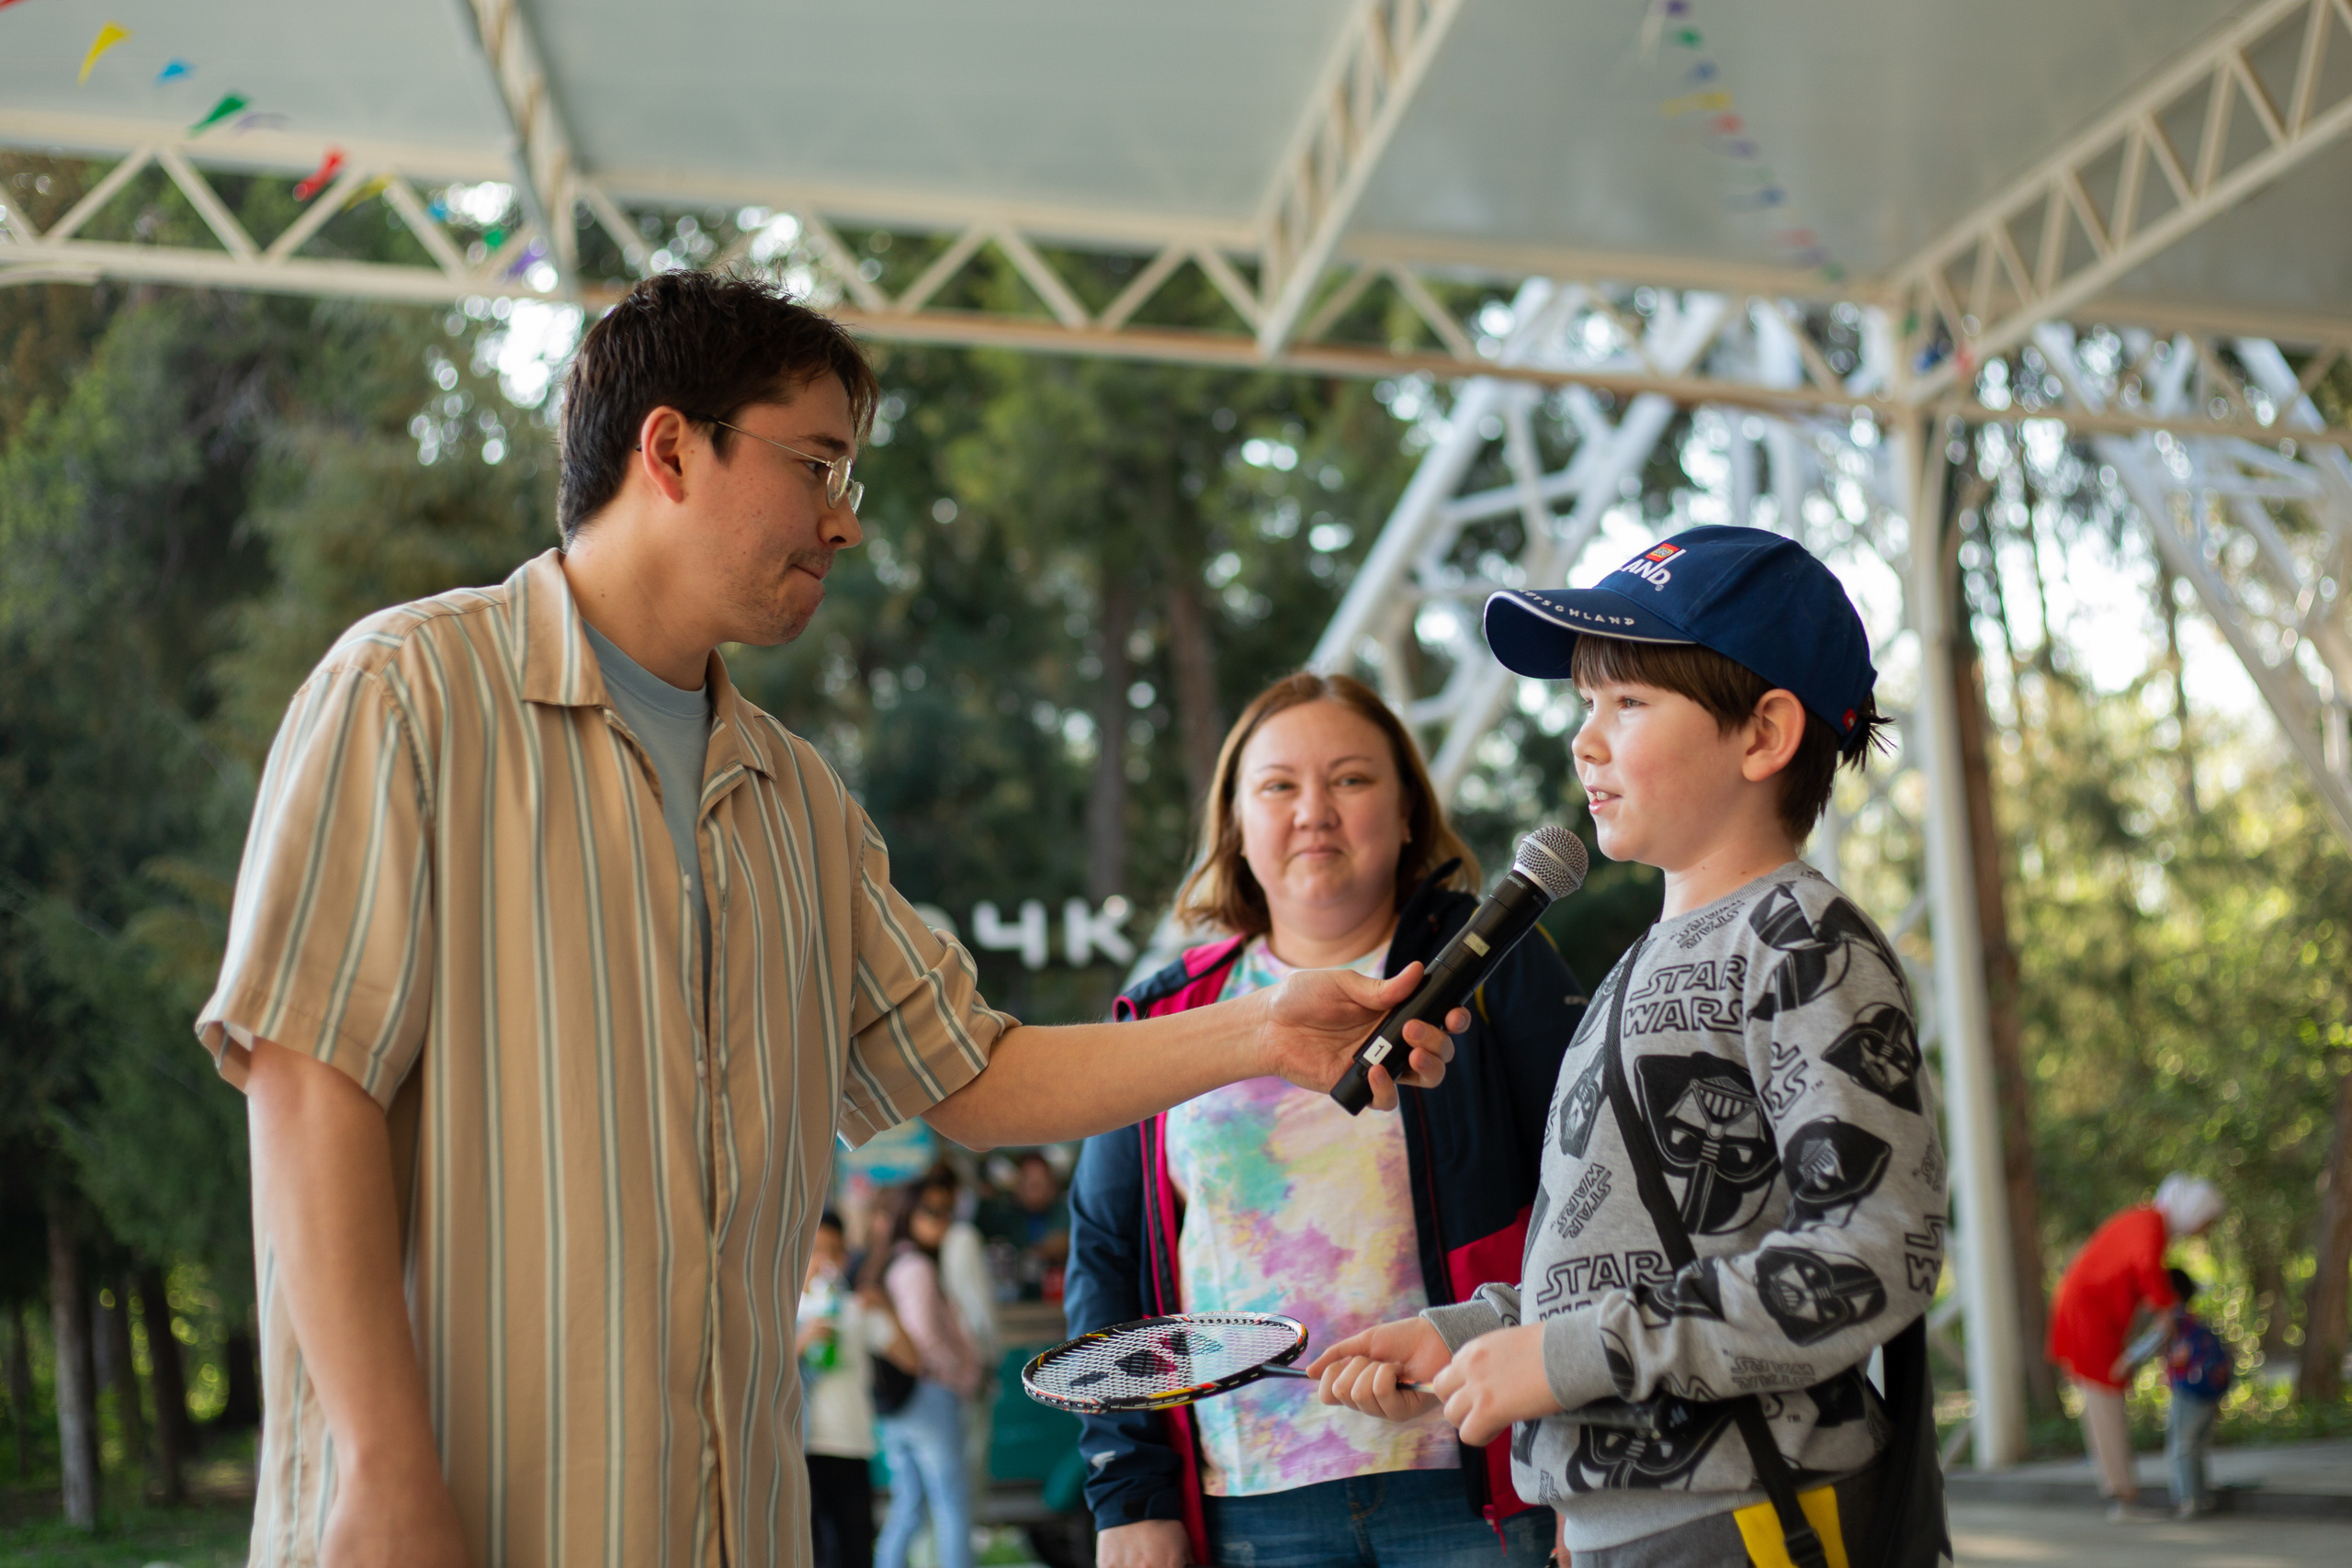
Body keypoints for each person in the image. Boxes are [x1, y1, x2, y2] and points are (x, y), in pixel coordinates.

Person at [196, 270, 1464, 1568]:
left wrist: (1269, 1030)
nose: (843, 523)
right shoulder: (409, 694)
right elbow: (305, 1076)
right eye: (818, 465)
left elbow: (973, 1069)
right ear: (672, 448)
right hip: (443, 1521)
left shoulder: (799, 797)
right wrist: (382, 1461)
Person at [1316, 525, 1947, 1567]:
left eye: (1629, 704)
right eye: (1584, 706)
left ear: (1762, 735)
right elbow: (1644, 1256)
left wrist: (1567, 1358)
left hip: (1754, 1517)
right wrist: (1477, 1335)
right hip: (1631, 1531)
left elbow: (1870, 1252)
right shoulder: (1637, 967)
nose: (1585, 741)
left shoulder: (1799, 941)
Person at [1069, 671, 1591, 1568]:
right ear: (1234, 821)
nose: (1314, 809)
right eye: (1278, 785)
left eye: (1350, 779)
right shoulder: (1169, 1014)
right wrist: (1129, 1496)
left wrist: (1590, 1465)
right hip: (1247, 1501)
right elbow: (1108, 1259)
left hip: (1481, 1485)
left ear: (1406, 813)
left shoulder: (1497, 970)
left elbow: (1590, 1212)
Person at [2048, 1175, 2224, 1516]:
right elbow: (2146, 1265)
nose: (2207, 1230)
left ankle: (2121, 1491)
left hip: (2095, 1315)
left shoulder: (2149, 1223)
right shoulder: (2151, 1225)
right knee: (2104, 1397)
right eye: (2208, 1222)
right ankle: (2121, 1495)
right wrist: (2164, 1310)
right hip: (2088, 1316)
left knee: (2106, 1396)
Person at [876, 1183, 984, 1568]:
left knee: (911, 1503)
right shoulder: (916, 1267)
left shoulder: (898, 1262)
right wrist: (961, 1374)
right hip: (930, 1395)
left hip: (904, 1402)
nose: (942, 1221)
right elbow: (924, 1336)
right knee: (951, 1504)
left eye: (947, 1210)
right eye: (930, 1211)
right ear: (909, 1215)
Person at [802, 1212, 916, 1568]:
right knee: (815, 1553)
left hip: (853, 1446)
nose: (825, 1261)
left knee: (855, 1551)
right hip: (803, 1449)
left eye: (835, 1251)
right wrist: (802, 1341)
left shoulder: (854, 1309)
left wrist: (887, 1308)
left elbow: (910, 1360)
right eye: (815, 1250)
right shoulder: (784, 1312)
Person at [978, 1152, 1070, 1300]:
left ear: (1053, 1186)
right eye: (1029, 1183)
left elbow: (1063, 1240)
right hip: (1013, 1297)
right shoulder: (1006, 1213)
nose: (1035, 1190)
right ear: (1018, 1186)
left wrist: (1040, 1250)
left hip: (1058, 1295)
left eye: (1040, 1183)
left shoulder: (1064, 1209)